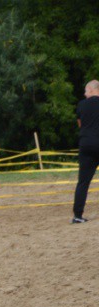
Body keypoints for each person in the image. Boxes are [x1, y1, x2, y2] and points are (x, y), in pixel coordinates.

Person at [72, 79, 99, 224]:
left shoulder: (81, 105)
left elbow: (80, 124)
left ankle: (77, 215)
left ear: (92, 90)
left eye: (85, 91)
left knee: (83, 182)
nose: (84, 93)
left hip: (86, 144)